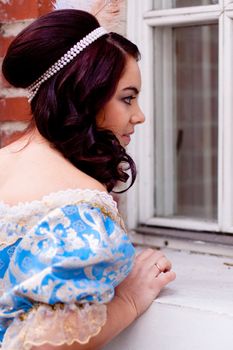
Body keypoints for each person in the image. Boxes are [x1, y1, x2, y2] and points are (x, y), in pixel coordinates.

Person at [0, 6, 176, 350]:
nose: (139, 116)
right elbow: (47, 344)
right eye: (128, 99)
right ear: (85, 94)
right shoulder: (78, 203)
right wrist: (129, 300)